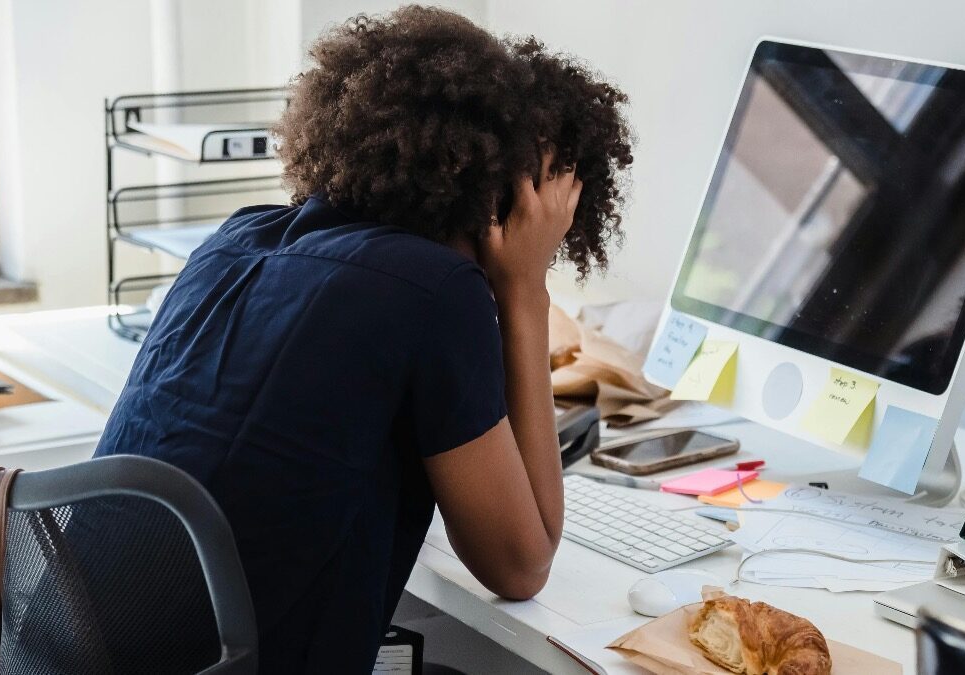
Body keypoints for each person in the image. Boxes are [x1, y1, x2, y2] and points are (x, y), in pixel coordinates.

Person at [93, 6, 632, 672]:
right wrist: (524, 292)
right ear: (499, 205)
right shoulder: (435, 292)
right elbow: (522, 563)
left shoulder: (238, 237)